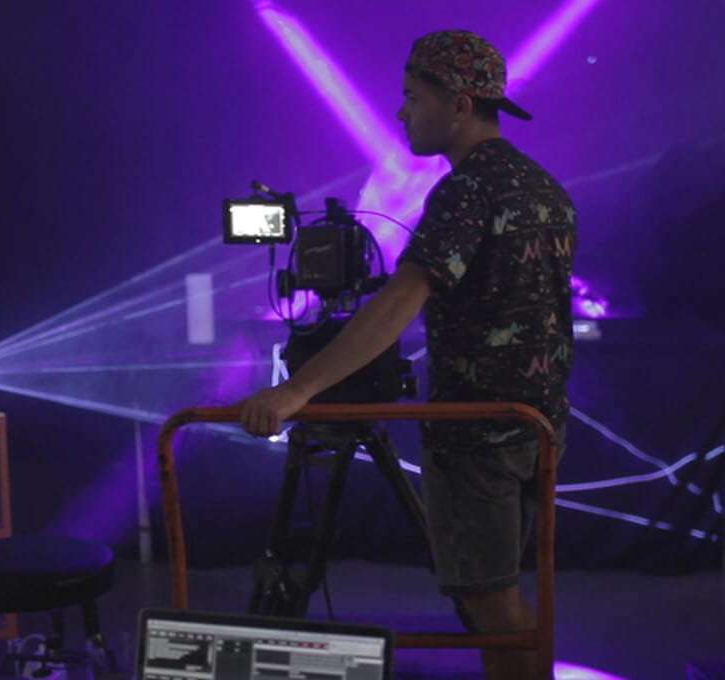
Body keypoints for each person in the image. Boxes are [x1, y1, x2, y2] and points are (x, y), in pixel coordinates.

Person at [237, 30, 576, 680]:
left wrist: (289, 393)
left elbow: (398, 303)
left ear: (457, 102)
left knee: (488, 600)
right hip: (536, 427)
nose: (400, 112)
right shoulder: (543, 187)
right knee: (496, 595)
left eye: (412, 97)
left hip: (479, 434)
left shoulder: (467, 191)